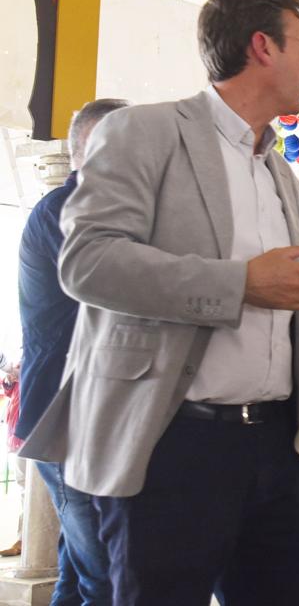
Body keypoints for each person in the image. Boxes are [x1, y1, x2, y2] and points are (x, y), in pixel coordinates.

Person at [21, 0, 299, 606]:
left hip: (278, 449)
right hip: (172, 447)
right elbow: (88, 261)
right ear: (262, 47)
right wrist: (241, 283)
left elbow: (277, 305)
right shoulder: (142, 133)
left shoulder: (277, 166)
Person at [17, 97, 128, 606]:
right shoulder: (67, 211)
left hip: (86, 418)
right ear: (87, 149)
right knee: (102, 576)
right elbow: (127, 288)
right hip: (68, 422)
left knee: (80, 570)